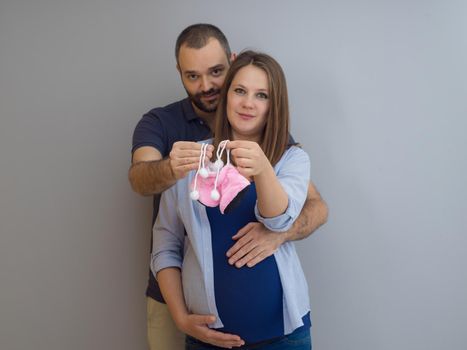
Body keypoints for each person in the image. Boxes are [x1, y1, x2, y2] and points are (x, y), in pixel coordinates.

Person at [129, 24, 328, 350]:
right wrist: (180, 317)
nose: (248, 103)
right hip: (202, 329)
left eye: (261, 95)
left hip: (284, 336)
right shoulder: (187, 153)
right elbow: (158, 226)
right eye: (240, 91)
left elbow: (290, 216)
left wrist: (264, 173)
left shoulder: (289, 156)